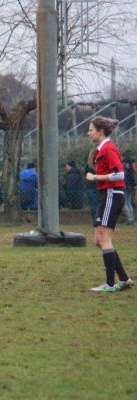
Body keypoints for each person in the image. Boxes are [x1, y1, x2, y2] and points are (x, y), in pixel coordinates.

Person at [85, 117, 133, 292]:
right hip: (106, 196)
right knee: (99, 240)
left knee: (104, 239)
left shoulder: (108, 148)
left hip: (112, 195)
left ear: (100, 131)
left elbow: (119, 175)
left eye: (91, 130)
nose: (88, 133)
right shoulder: (100, 149)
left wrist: (95, 177)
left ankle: (110, 284)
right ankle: (125, 279)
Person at [85, 149, 99, 223]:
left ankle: (95, 219)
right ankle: (99, 219)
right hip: (99, 185)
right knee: (99, 203)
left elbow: (86, 175)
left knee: (93, 204)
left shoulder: (88, 166)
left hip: (90, 186)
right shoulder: (100, 163)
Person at [121, 154, 135, 225]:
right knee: (129, 202)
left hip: (124, 185)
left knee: (124, 203)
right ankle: (132, 218)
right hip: (130, 186)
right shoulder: (131, 165)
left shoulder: (124, 165)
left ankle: (129, 219)